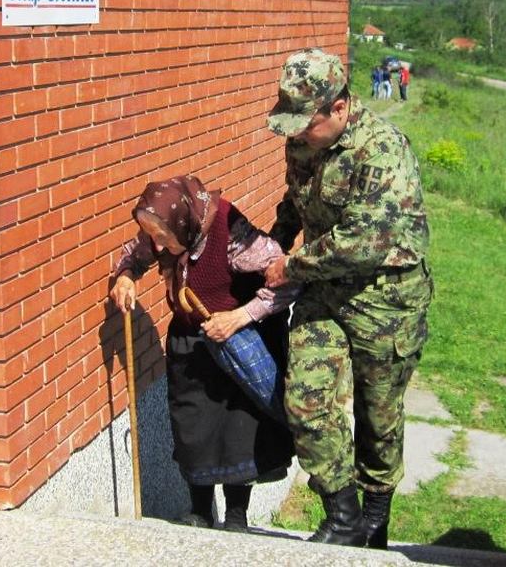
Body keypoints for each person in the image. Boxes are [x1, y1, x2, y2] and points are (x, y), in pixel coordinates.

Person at [264, 48, 434, 548]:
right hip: (324, 292)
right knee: (307, 401)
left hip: (386, 300)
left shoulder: (382, 150)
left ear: (338, 108)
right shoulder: (302, 139)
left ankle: (375, 523)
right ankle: (342, 517)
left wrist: (289, 266)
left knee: (378, 417)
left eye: (305, 125)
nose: (296, 135)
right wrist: (278, 236)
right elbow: (296, 196)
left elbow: (364, 242)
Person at [109, 176, 296, 532]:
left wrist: (240, 317)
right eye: (154, 236)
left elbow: (288, 280)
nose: (158, 245)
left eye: (163, 237)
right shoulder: (167, 225)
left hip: (236, 340)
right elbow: (135, 253)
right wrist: (125, 276)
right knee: (193, 427)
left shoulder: (232, 234)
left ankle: (237, 518)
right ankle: (201, 512)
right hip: (190, 342)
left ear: (184, 222)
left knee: (239, 429)